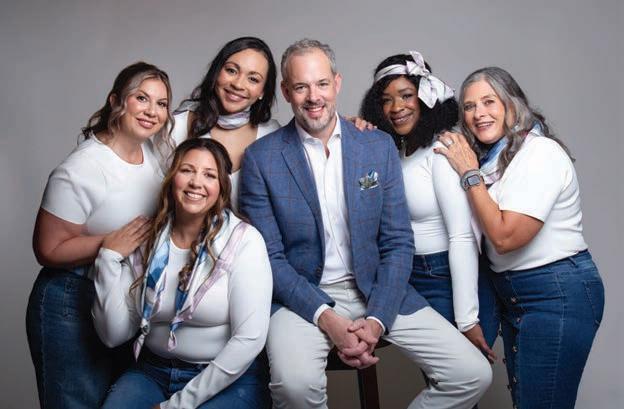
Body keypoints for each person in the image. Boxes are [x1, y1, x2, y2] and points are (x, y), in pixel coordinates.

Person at [239, 38, 491, 409]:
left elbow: (397, 242)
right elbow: (270, 258)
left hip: (376, 287)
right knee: (294, 388)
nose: (314, 97)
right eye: (301, 87)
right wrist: (327, 318)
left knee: (472, 373)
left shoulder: (376, 145)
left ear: (337, 83)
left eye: (322, 84)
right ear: (286, 92)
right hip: (301, 296)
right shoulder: (261, 158)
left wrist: (376, 320)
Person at [435, 66, 604, 409]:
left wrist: (469, 173)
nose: (478, 114)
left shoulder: (539, 153)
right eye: (469, 106)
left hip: (555, 292)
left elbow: (505, 237)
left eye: (489, 102)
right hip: (513, 295)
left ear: (512, 105)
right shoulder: (494, 159)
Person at [26, 61, 174, 408]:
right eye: (141, 98)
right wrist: (109, 244)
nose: (152, 111)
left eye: (161, 103)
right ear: (116, 101)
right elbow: (46, 248)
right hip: (72, 299)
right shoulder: (82, 168)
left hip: (121, 295)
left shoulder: (152, 152)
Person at [93, 138, 273, 409]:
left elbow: (250, 339)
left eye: (209, 175)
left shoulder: (243, 240)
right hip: (152, 372)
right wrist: (107, 258)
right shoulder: (147, 239)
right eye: (187, 170)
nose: (196, 182)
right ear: (171, 178)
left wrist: (177, 405)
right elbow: (112, 335)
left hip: (226, 378)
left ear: (222, 188)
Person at [360, 51, 495, 361]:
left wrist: (467, 319)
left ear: (425, 96)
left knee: (463, 376)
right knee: (442, 376)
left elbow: (462, 236)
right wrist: (356, 132)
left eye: (406, 95)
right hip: (405, 276)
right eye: (386, 100)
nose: (396, 107)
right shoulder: (393, 152)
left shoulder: (443, 149)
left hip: (443, 276)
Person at [171, 36, 279, 209]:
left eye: (253, 79)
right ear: (216, 72)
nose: (238, 84)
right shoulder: (177, 126)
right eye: (231, 70)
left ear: (263, 91)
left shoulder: (273, 136)